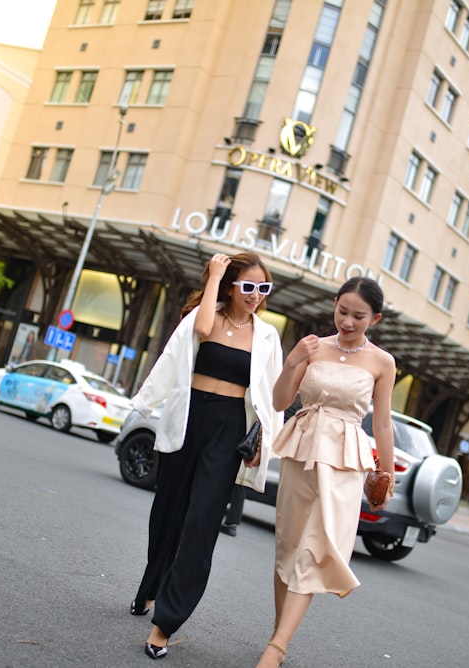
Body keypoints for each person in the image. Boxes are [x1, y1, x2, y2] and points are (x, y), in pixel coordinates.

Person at [129, 252, 284, 661]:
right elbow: (197, 331)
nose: (255, 296)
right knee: (167, 512)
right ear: (231, 285)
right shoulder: (206, 316)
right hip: (190, 418)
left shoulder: (267, 336)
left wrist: (264, 440)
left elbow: (270, 395)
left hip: (230, 428)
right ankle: (149, 587)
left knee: (200, 523)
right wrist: (215, 274)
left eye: (263, 289)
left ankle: (166, 622)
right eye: (247, 287)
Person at [256, 277, 396, 668]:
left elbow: (382, 424)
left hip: (346, 462)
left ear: (376, 318)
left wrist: (386, 473)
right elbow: (280, 400)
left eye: (359, 316)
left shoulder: (382, 362)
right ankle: (277, 632)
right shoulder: (313, 346)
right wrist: (293, 360)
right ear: (334, 304)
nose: (348, 322)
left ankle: (276, 648)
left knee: (317, 548)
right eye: (343, 312)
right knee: (288, 547)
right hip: (302, 448)